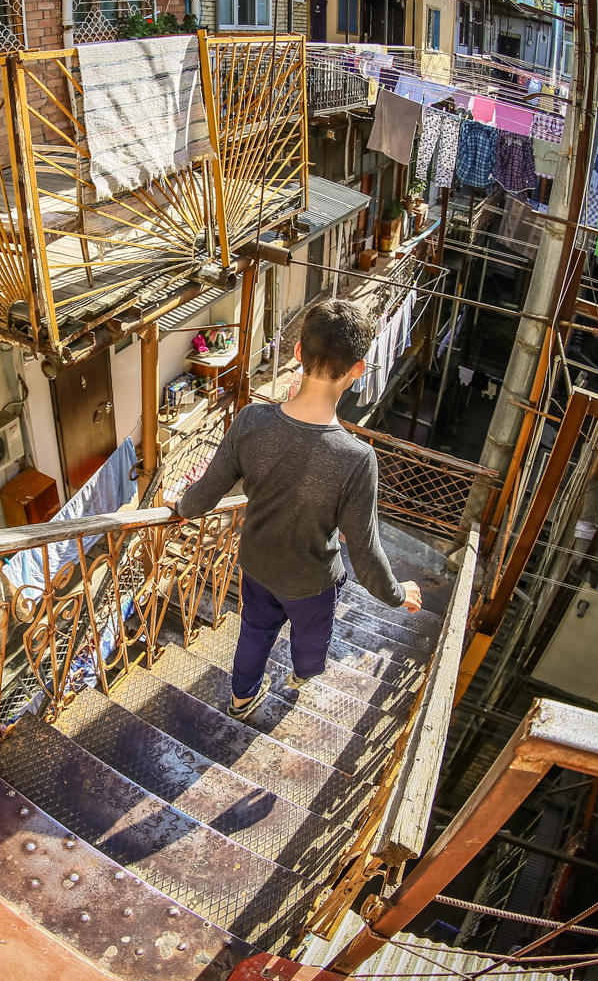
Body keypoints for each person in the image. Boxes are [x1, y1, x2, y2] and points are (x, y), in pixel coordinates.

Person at [172, 299, 423, 720]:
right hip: (312, 581)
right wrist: (397, 595)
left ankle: (240, 701)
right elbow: (364, 552)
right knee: (310, 639)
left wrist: (179, 504)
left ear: (299, 352)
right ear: (358, 369)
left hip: (256, 563)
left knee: (254, 632)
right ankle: (302, 676)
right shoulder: (357, 459)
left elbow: (202, 499)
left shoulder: (250, 420)